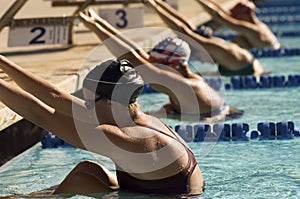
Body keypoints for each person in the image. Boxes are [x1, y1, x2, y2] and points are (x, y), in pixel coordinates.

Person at [0, 55, 205, 197]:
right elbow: (57, 98)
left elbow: (42, 115)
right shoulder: (132, 116)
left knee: (81, 180)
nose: (86, 108)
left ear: (111, 102)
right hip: (153, 191)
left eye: (89, 102)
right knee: (86, 172)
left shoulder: (127, 139)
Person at [78, 9, 244, 121]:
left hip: (216, 121)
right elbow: (136, 53)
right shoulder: (182, 74)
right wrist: (98, 22)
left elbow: (136, 61)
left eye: (159, 64)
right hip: (196, 114)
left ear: (175, 64)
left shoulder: (186, 86)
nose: (154, 66)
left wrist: (93, 26)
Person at [145, 0, 266, 77]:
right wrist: (155, 5)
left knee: (190, 31)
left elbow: (186, 29)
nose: (202, 61)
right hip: (251, 68)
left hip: (250, 68)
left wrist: (155, 5)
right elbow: (184, 30)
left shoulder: (218, 46)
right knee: (189, 31)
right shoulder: (215, 47)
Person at [195, 0, 281, 50]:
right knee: (239, 41)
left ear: (243, 14)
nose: (233, 14)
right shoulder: (259, 25)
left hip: (265, 54)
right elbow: (223, 14)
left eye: (236, 12)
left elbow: (220, 17)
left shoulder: (250, 29)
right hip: (269, 51)